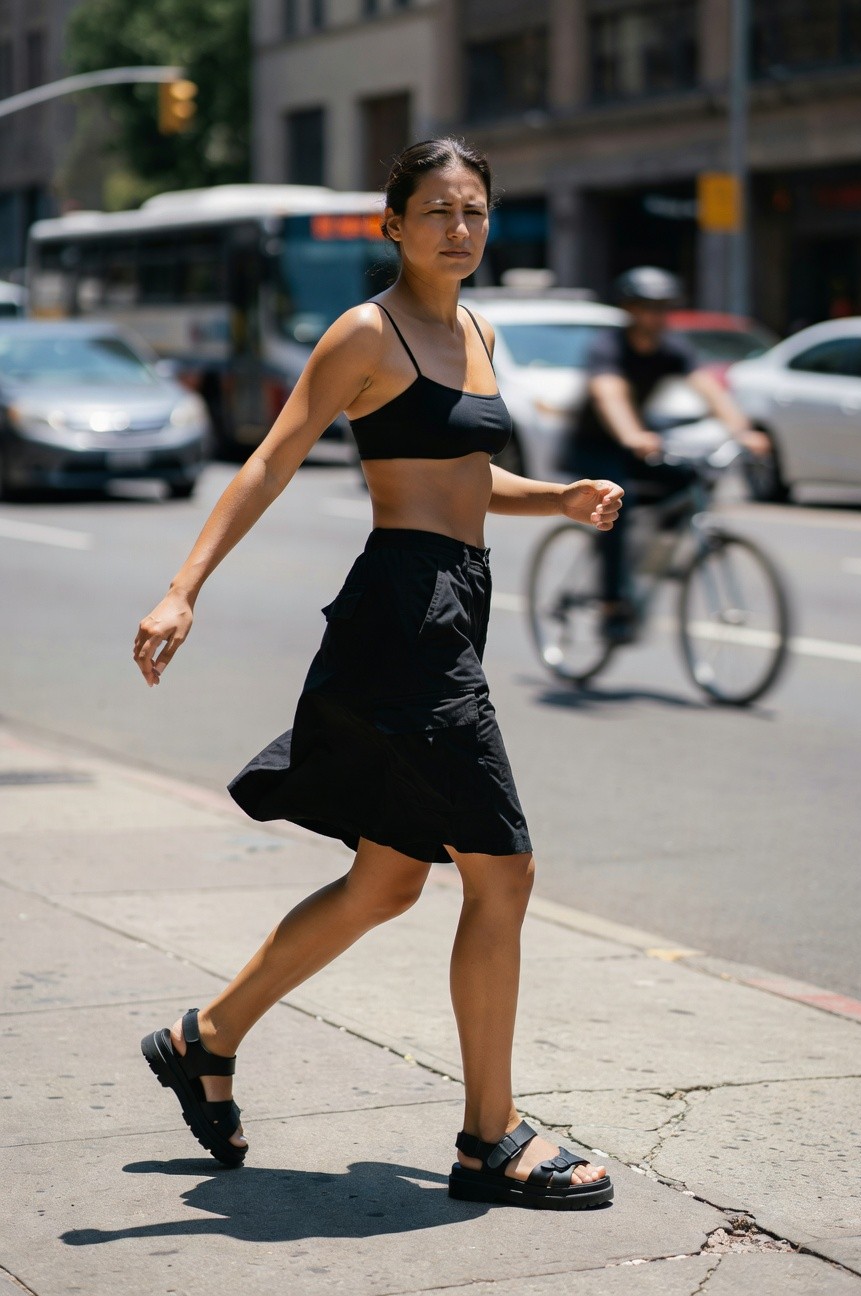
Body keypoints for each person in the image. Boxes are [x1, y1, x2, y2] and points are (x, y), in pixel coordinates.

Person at [134, 138, 623, 1211]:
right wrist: (184, 588)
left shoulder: (477, 330)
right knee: (503, 872)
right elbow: (271, 456)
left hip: (452, 603)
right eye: (438, 210)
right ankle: (489, 1139)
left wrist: (558, 498)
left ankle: (203, 1039)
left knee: (389, 879)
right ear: (391, 224)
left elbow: (463, 475)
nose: (461, 228)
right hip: (404, 619)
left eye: (477, 211)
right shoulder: (369, 331)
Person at [562, 266, 770, 644]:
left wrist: (743, 431)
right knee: (617, 508)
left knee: (689, 480)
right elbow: (610, 393)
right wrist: (631, 434)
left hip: (638, 442)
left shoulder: (671, 348)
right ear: (629, 309)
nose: (656, 316)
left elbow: (708, 387)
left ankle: (650, 556)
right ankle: (611, 604)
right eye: (647, 307)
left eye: (662, 308)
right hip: (594, 444)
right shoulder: (608, 347)